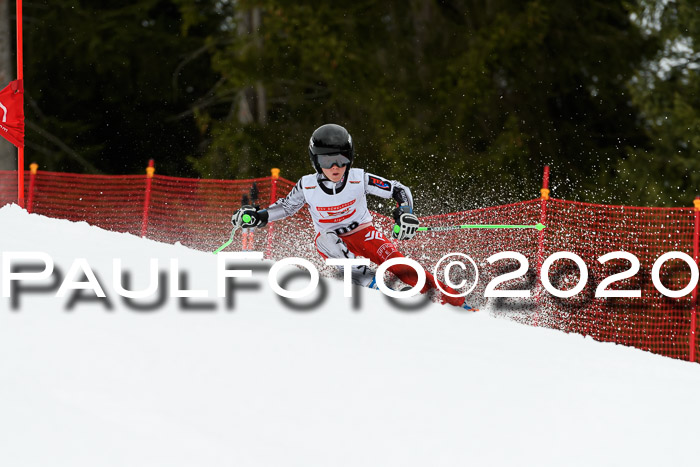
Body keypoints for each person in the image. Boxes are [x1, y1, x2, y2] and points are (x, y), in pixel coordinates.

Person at [231, 123, 475, 310]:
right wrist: (259, 216)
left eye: (342, 159)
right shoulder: (307, 185)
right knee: (325, 238)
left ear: (350, 157)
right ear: (316, 161)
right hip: (333, 241)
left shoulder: (359, 178)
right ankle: (371, 282)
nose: (335, 167)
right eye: (327, 160)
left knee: (400, 264)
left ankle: (454, 303)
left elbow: (399, 190)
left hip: (365, 233)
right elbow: (286, 207)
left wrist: (405, 212)